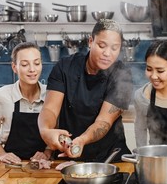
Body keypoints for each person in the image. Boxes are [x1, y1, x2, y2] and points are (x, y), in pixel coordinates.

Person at [38, 19, 133, 162]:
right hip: (70, 156)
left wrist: (82, 140)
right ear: (90, 41)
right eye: (102, 45)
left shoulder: (122, 76)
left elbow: (103, 122)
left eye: (114, 48)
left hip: (110, 157)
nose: (107, 53)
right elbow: (50, 109)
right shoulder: (65, 67)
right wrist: (45, 131)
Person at [0, 42, 51, 164]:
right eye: (25, 64)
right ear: (14, 67)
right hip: (12, 165)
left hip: (44, 165)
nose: (32, 69)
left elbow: (57, 128)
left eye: (37, 63)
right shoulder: (1, 96)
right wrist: (2, 154)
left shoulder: (51, 95)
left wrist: (47, 153)